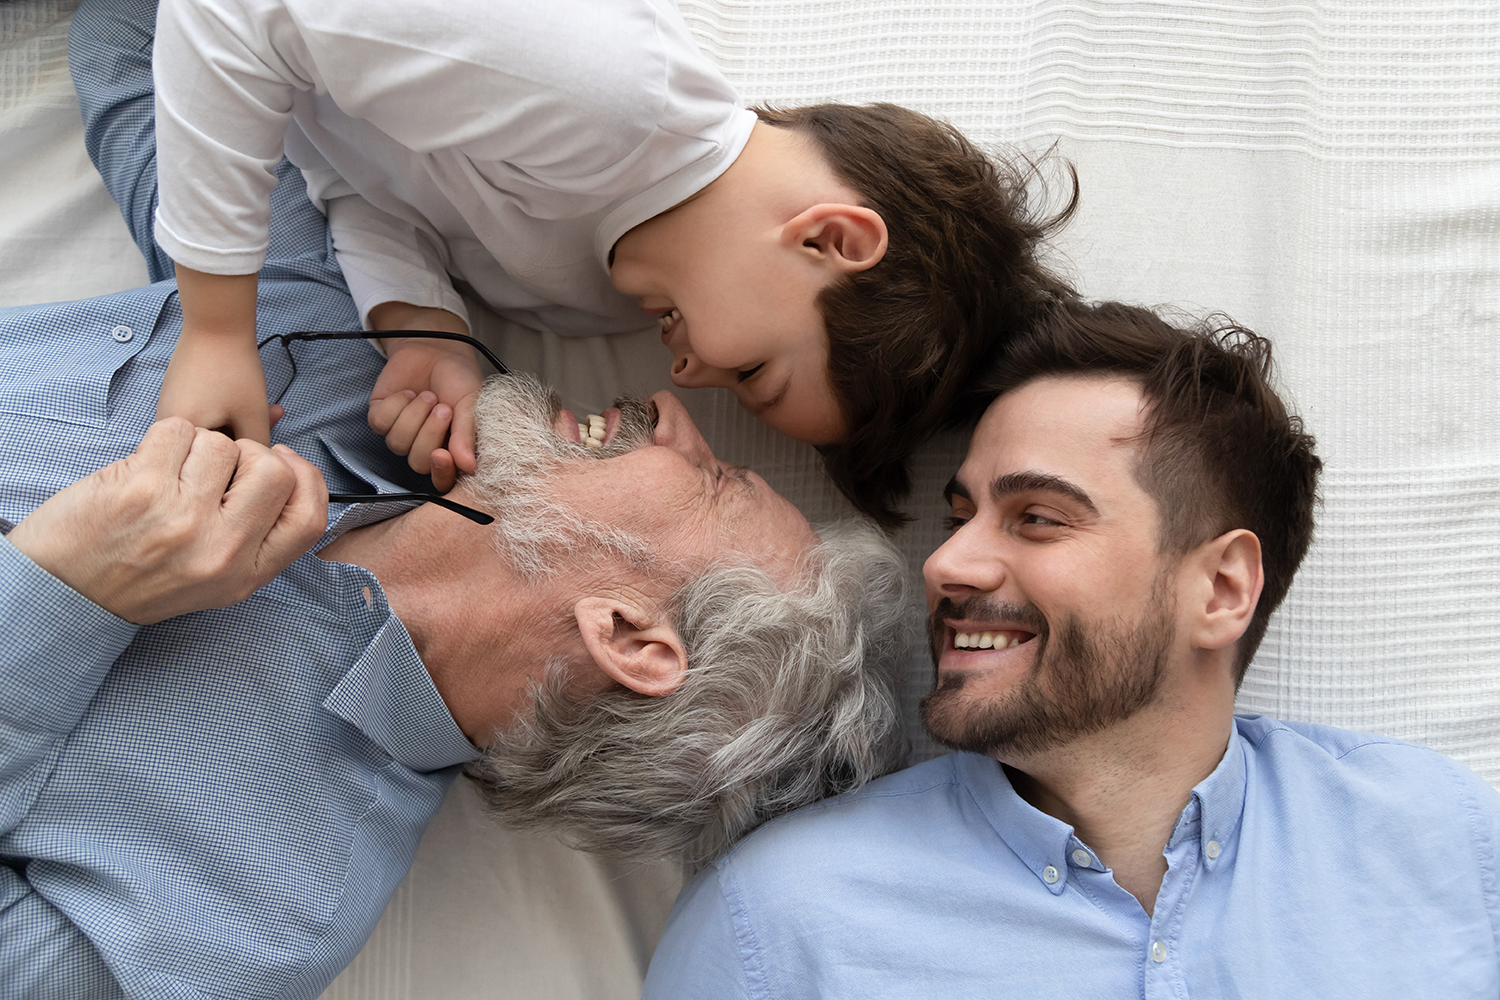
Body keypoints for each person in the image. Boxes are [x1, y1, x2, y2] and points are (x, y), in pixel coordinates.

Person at [0, 16, 909, 997]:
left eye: (715, 480)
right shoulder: (368, 343)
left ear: (630, 635)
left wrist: (60, 592)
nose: (678, 412)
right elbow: (152, 31)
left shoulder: (250, 916)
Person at [641, 300, 1500, 998]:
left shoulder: (1446, 843)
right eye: (960, 515)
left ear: (1221, 589)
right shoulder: (776, 924)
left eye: (1038, 519)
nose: (945, 563)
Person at [143, 0, 1073, 526]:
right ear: (831, 240)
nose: (687, 374)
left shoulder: (601, 295)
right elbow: (234, 13)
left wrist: (424, 330)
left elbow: (364, 183)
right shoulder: (609, 93)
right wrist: (218, 329)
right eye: (753, 370)